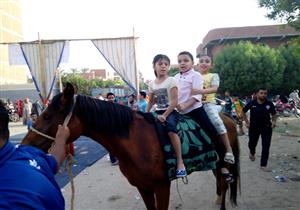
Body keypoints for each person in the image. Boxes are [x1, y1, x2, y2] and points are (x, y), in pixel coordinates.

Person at [174, 51, 233, 182]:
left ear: (192, 63)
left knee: (212, 131)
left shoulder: (196, 76)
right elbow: (174, 94)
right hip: (179, 111)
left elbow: (197, 96)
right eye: (180, 61)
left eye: (185, 60)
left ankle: (223, 164)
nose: (182, 63)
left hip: (195, 110)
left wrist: (184, 105)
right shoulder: (176, 77)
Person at [0, 100, 70, 209]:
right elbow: (56, 158)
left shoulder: (8, 199)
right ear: (7, 131)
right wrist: (61, 138)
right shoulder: (30, 153)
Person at [146, 54, 186, 178]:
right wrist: (146, 113)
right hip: (157, 112)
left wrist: (165, 115)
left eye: (166, 64)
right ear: (154, 66)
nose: (163, 66)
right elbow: (151, 101)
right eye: (160, 64)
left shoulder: (172, 81)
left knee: (171, 131)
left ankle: (180, 162)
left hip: (170, 111)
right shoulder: (152, 83)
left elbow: (174, 101)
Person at [192, 55, 235, 162]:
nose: (204, 63)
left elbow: (214, 88)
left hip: (207, 104)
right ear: (197, 65)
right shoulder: (193, 76)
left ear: (211, 65)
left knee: (216, 122)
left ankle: (228, 149)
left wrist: (198, 91)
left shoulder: (213, 75)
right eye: (201, 61)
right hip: (193, 104)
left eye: (207, 61)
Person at [242, 87, 277, 172]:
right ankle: (252, 152)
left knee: (266, 146)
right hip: (254, 127)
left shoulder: (269, 104)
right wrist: (246, 122)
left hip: (267, 128)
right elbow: (243, 111)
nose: (263, 95)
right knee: (252, 143)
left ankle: (263, 165)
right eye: (261, 93)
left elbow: (274, 114)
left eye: (265, 93)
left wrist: (274, 121)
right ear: (257, 94)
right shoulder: (252, 103)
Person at [106, 92, 119, 166]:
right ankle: (113, 160)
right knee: (111, 144)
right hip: (109, 128)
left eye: (112, 97)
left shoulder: (117, 106)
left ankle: (116, 157)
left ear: (114, 97)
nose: (111, 99)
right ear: (107, 98)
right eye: (109, 98)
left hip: (116, 127)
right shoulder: (105, 106)